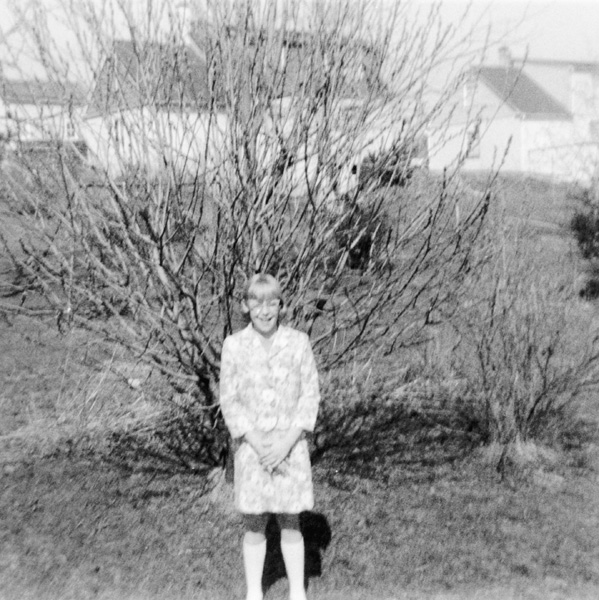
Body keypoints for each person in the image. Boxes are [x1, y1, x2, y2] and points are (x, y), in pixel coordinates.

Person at [219, 273, 321, 600]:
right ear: (246, 306)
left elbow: (310, 396)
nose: (265, 311)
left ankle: (296, 592)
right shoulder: (234, 346)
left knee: (291, 520)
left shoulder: (298, 342)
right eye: (257, 303)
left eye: (272, 303)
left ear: (281, 305)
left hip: (290, 448)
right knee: (255, 523)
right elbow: (229, 399)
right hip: (252, 450)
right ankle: (253, 592)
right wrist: (252, 438)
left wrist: (287, 441)